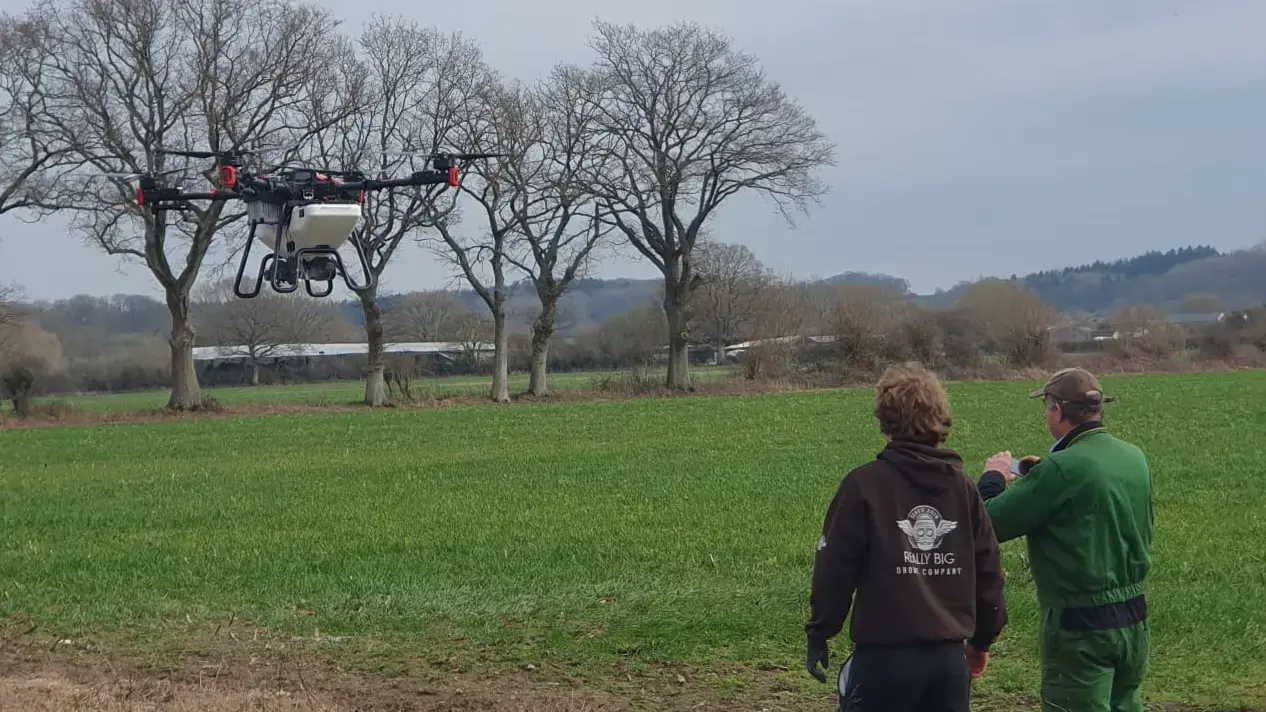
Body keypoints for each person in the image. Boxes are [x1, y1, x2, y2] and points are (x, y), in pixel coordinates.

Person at [805, 362, 1007, 712]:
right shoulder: (963, 489)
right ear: (939, 418)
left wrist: (820, 631)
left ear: (885, 420)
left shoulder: (864, 485)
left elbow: (835, 568)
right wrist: (982, 638)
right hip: (948, 664)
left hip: (883, 662)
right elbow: (988, 568)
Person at [978, 367, 1153, 712]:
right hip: (1134, 618)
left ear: (1057, 409)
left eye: (1046, 407)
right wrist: (1040, 473)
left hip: (1080, 626)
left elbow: (986, 525)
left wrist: (992, 480)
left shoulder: (1060, 470)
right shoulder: (1133, 457)